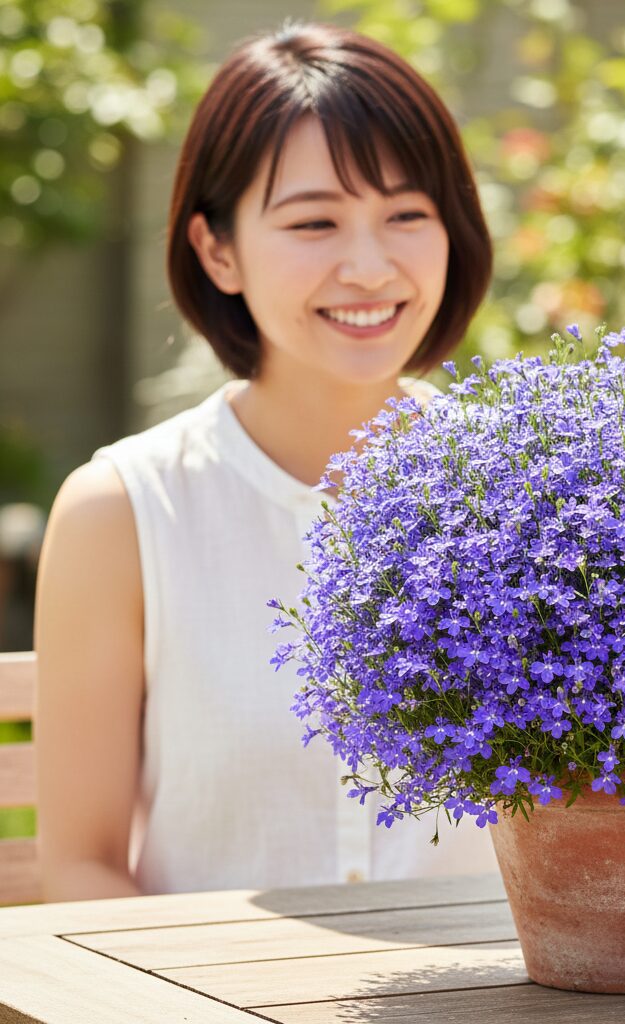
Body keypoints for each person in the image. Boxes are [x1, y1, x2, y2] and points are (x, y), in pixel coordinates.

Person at [34, 21, 499, 901]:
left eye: (407, 215)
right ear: (217, 250)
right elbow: (80, 863)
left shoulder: (531, 496)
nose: (369, 267)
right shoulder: (124, 512)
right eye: (314, 222)